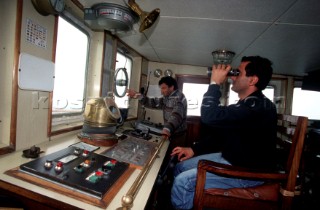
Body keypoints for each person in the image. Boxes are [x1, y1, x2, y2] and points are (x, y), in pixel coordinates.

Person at [170, 56, 277, 210]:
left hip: (247, 172)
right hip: (231, 158)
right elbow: (222, 136)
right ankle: (190, 201)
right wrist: (194, 149)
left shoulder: (258, 106)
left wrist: (215, 83)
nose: (232, 76)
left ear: (252, 80)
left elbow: (209, 116)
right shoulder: (247, 104)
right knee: (180, 167)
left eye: (237, 73)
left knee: (182, 181)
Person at [127, 76, 188, 149]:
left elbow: (176, 115)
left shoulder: (178, 98)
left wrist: (167, 129)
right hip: (171, 132)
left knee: (174, 156)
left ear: (171, 87)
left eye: (164, 88)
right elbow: (154, 103)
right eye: (161, 88)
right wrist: (137, 95)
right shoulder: (167, 97)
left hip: (178, 135)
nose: (161, 91)